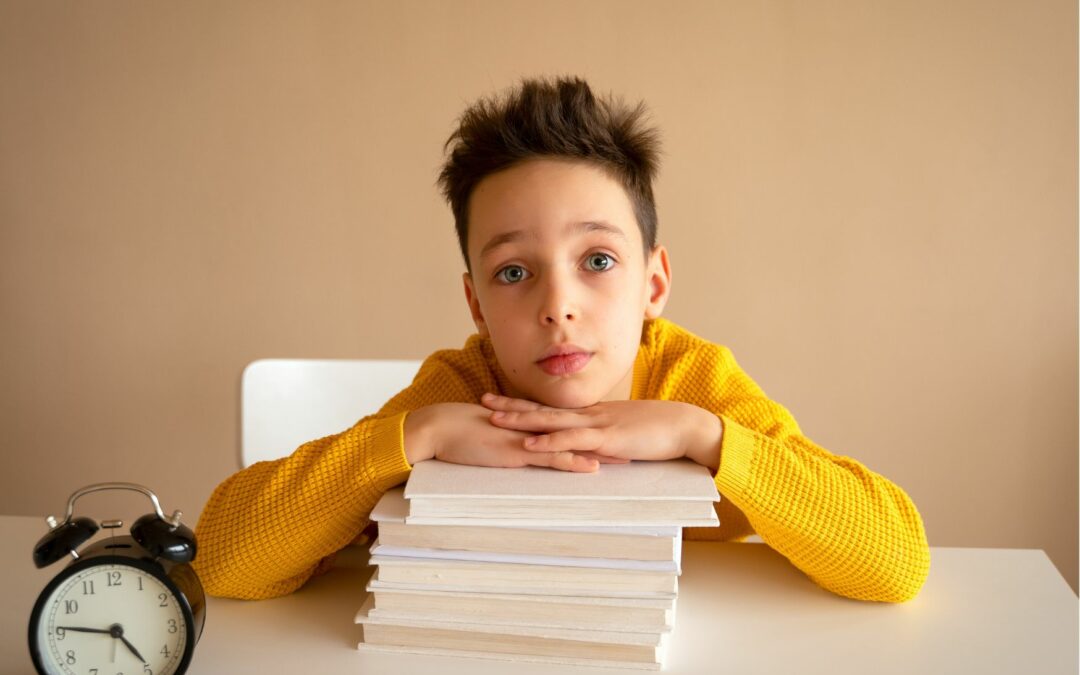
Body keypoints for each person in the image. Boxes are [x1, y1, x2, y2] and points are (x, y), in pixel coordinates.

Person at [193, 76, 930, 603]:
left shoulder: (694, 382)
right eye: (514, 271)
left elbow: (895, 562)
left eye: (598, 261)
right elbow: (223, 560)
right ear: (475, 303)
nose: (558, 306)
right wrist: (418, 432)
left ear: (654, 283)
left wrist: (704, 435)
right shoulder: (460, 387)